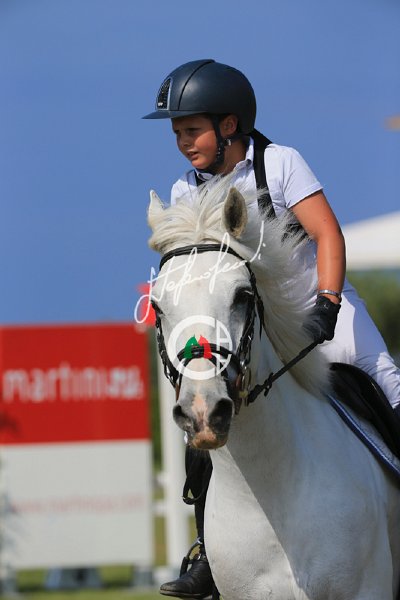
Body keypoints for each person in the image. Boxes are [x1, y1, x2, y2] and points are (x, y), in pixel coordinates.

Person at [143, 59, 400, 599]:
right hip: (253, 326)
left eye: (192, 129)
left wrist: (328, 303)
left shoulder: (280, 163)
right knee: (206, 429)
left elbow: (327, 234)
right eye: (177, 132)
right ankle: (208, 552)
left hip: (318, 309)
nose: (183, 142)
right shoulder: (185, 189)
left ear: (229, 125)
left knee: (390, 388)